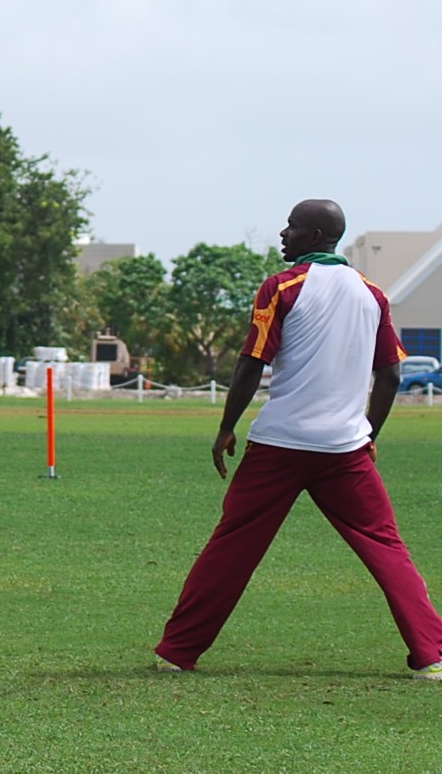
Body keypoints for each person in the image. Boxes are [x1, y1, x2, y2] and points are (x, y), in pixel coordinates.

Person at [154, 198, 442, 679]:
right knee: (386, 547)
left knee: (233, 547)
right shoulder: (372, 293)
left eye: (291, 226)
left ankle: (177, 652)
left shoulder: (282, 287)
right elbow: (390, 374)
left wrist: (227, 426)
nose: (283, 233)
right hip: (345, 449)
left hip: (279, 446)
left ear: (313, 236)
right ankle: (432, 655)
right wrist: (368, 432)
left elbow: (251, 362)